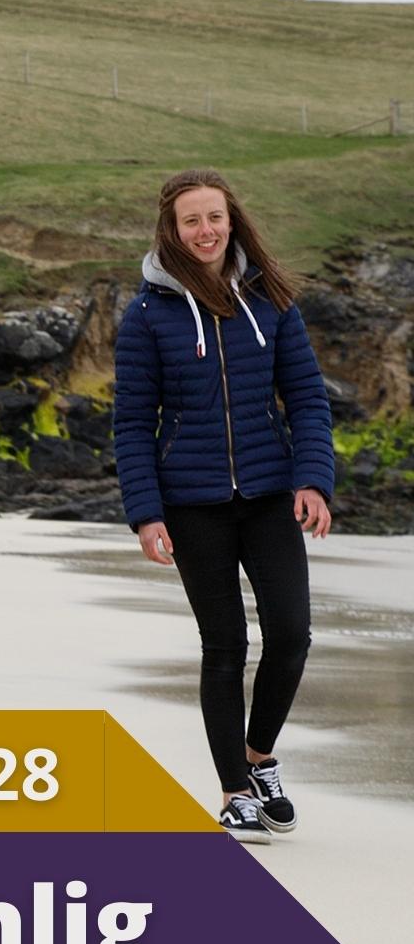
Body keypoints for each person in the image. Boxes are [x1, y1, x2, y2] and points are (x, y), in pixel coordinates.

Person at [113, 168, 333, 845]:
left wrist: (314, 481)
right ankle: (235, 792)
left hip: (270, 495)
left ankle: (259, 756)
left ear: (231, 221)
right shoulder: (147, 315)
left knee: (292, 635)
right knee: (225, 646)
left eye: (214, 217)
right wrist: (146, 513)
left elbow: (307, 398)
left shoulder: (271, 301)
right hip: (191, 503)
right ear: (171, 231)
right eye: (191, 221)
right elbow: (130, 423)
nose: (204, 230)